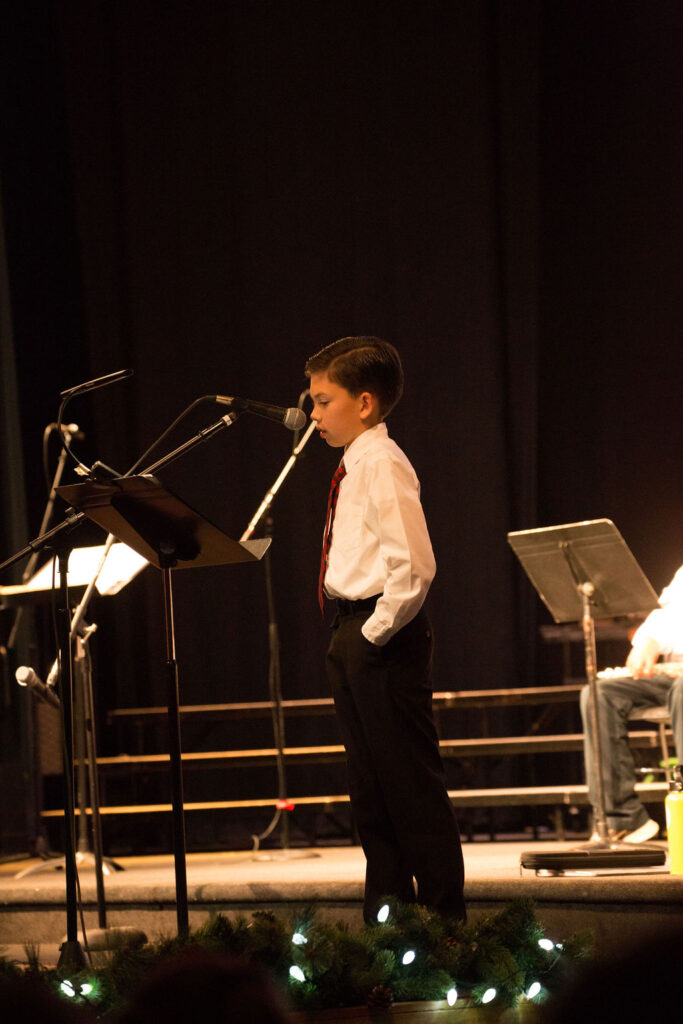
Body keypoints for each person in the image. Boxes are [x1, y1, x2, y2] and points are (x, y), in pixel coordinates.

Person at [305, 336, 465, 923]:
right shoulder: (355, 464)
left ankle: (445, 925)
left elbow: (414, 566)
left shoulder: (382, 463)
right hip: (351, 629)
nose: (313, 414)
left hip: (381, 634)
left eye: (324, 401)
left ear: (365, 403)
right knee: (371, 791)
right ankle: (389, 924)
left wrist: (373, 634)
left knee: (410, 787)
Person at [580, 564, 683, 841]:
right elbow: (669, 613)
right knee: (599, 694)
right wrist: (648, 641)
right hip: (675, 674)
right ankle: (621, 819)